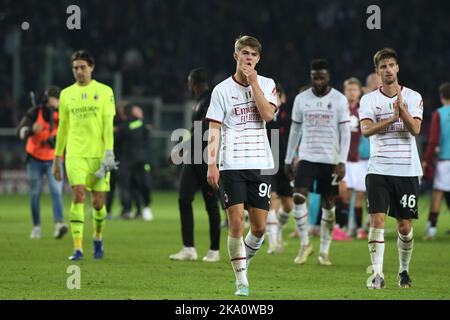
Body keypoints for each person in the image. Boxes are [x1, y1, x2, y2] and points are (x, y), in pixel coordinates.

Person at [206, 35, 278, 297]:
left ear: (258, 59)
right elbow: (214, 128)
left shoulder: (267, 84)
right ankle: (242, 282)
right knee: (236, 224)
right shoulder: (221, 90)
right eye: (244, 53)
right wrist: (211, 164)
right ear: (235, 55)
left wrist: (254, 83)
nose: (249, 58)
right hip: (231, 164)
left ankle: (240, 263)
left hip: (260, 164)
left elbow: (268, 116)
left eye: (253, 55)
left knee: (258, 228)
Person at [360, 48, 423, 289]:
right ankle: (377, 275)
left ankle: (403, 271)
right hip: (378, 168)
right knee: (377, 220)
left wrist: (402, 111)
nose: (387, 70)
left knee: (404, 227)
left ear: (397, 68)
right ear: (377, 71)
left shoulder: (414, 97)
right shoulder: (369, 100)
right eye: (383, 66)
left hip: (406, 169)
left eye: (391, 65)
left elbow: (415, 130)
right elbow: (366, 130)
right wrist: (391, 118)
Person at [284, 58, 351, 266]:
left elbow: (345, 131)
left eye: (322, 77)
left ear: (328, 77)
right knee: (298, 197)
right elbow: (295, 129)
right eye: (315, 77)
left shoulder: (339, 99)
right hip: (307, 157)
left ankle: (324, 251)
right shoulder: (301, 99)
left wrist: (342, 161)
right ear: (311, 77)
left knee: (328, 205)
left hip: (330, 160)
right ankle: (305, 244)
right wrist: (288, 159)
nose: (318, 81)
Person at [53, 50, 118, 261]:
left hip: (99, 156)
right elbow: (62, 127)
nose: (79, 71)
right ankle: (78, 249)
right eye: (75, 68)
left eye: (82, 67)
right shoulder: (66, 94)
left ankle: (97, 238)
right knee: (79, 194)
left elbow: (108, 124)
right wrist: (57, 158)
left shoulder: (105, 91)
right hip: (76, 155)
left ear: (91, 67)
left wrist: (109, 152)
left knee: (98, 204)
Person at [169, 68, 221, 262]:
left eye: (189, 82)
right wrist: (182, 148)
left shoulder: (210, 101)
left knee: (211, 205)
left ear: (193, 82)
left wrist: (182, 149)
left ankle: (214, 250)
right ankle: (188, 248)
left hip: (207, 159)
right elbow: (195, 129)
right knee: (184, 199)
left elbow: (206, 130)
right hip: (193, 158)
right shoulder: (199, 103)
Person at [17, 86, 68, 240]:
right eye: (55, 98)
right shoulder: (35, 112)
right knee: (35, 193)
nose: (57, 101)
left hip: (54, 159)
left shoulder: (63, 114)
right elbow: (20, 131)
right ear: (48, 99)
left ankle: (59, 224)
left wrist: (56, 141)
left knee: (57, 191)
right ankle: (36, 227)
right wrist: (30, 131)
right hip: (35, 158)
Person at [265, 83, 294, 254]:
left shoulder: (287, 117)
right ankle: (273, 243)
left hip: (285, 162)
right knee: (273, 199)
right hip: (267, 162)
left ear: (282, 99)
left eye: (277, 95)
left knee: (288, 205)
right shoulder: (263, 115)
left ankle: (278, 232)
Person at [337, 77, 367, 240]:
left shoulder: (364, 110)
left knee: (360, 196)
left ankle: (358, 227)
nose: (352, 93)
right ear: (344, 91)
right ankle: (344, 227)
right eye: (349, 90)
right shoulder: (341, 109)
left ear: (359, 92)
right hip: (345, 159)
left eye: (354, 90)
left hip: (360, 159)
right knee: (345, 194)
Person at [116, 104, 154, 221]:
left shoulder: (123, 126)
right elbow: (147, 138)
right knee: (141, 185)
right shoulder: (142, 125)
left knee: (126, 186)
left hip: (126, 160)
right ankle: (144, 208)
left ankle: (127, 210)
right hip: (142, 160)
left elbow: (116, 141)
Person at [422, 82, 450, 240]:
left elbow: (433, 140)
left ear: (441, 96)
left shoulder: (439, 114)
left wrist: (426, 159)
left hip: (445, 160)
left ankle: (431, 229)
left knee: (438, 194)